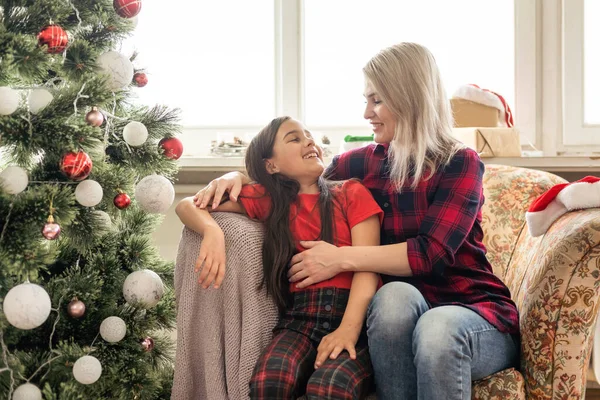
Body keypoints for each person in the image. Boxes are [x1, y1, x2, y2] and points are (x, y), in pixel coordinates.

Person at [193, 42, 520, 400]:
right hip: (395, 312)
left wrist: (341, 257)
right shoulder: (357, 165)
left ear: (409, 97)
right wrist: (235, 177)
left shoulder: (461, 163)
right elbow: (293, 180)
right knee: (394, 296)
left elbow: (430, 254)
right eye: (367, 100)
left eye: (376, 100)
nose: (367, 112)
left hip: (471, 313)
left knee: (436, 328)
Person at [176, 116, 383, 400]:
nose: (309, 141)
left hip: (354, 319)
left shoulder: (351, 192)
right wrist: (212, 231)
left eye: (309, 135)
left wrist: (348, 330)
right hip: (301, 319)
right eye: (294, 138)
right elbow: (188, 205)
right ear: (271, 165)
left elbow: (368, 265)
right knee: (269, 384)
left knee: (329, 389)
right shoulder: (270, 201)